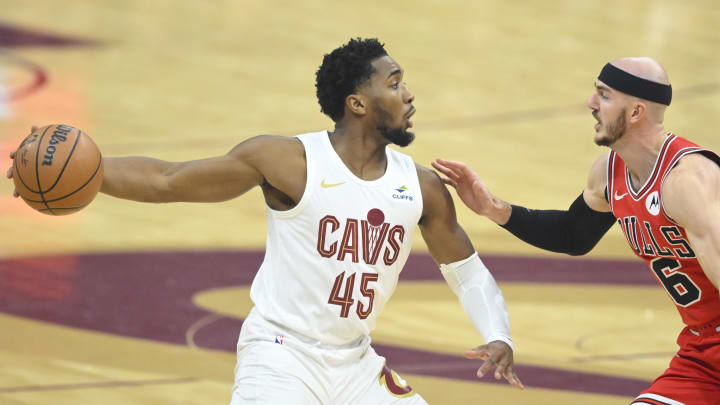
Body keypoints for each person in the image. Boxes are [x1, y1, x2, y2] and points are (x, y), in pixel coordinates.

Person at [7, 38, 522, 404]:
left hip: (356, 362)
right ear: (358, 103)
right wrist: (88, 174)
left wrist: (499, 334)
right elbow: (169, 180)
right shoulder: (289, 161)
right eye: (395, 82)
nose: (409, 94)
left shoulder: (423, 186)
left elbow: (466, 270)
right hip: (281, 353)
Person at [433, 57, 720, 404]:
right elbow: (574, 235)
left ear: (635, 112)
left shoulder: (688, 180)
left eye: (604, 95)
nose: (591, 104)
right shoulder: (608, 175)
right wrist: (495, 209)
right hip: (701, 350)